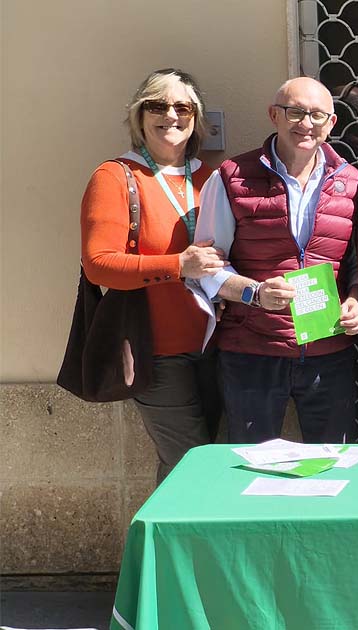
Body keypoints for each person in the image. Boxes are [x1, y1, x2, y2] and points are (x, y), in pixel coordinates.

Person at [193, 77, 358, 444]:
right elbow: (206, 267)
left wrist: (356, 300)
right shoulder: (232, 177)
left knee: (331, 466)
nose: (306, 124)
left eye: (317, 114)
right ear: (274, 115)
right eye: (295, 112)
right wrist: (254, 293)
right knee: (253, 469)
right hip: (253, 350)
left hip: (327, 351)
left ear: (332, 123)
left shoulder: (350, 181)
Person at [80, 68, 224, 482]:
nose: (171, 115)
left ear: (197, 117)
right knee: (192, 469)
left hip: (217, 347)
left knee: (191, 469)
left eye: (182, 107)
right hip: (156, 352)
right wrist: (178, 265)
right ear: (139, 116)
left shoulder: (210, 176)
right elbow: (99, 264)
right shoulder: (115, 176)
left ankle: (167, 545)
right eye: (157, 106)